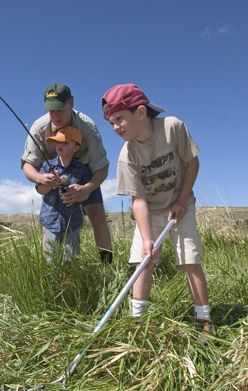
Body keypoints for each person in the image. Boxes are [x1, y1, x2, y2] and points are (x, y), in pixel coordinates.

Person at [101, 83, 216, 339]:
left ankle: (204, 319)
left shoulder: (172, 128)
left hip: (180, 205)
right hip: (149, 212)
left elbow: (192, 162)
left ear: (140, 112)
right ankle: (137, 322)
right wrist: (146, 238)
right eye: (111, 123)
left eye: (119, 119)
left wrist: (182, 200)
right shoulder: (127, 155)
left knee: (189, 260)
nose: (116, 127)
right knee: (144, 263)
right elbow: (138, 199)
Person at [21, 83, 112, 263]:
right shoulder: (39, 128)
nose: (56, 116)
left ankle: (107, 268)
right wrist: (41, 179)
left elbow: (102, 168)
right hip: (52, 178)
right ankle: (49, 272)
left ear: (71, 103)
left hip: (85, 176)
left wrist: (86, 189)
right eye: (51, 111)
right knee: (50, 222)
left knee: (98, 216)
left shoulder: (87, 128)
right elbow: (27, 166)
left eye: (60, 109)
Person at [37, 126, 91, 261]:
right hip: (51, 220)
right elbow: (39, 190)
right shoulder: (47, 166)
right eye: (58, 142)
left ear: (76, 148)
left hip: (73, 222)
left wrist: (78, 193)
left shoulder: (82, 170)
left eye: (65, 142)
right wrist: (49, 183)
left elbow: (86, 195)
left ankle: (68, 282)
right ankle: (53, 281)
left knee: (70, 260)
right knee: (50, 260)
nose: (60, 145)